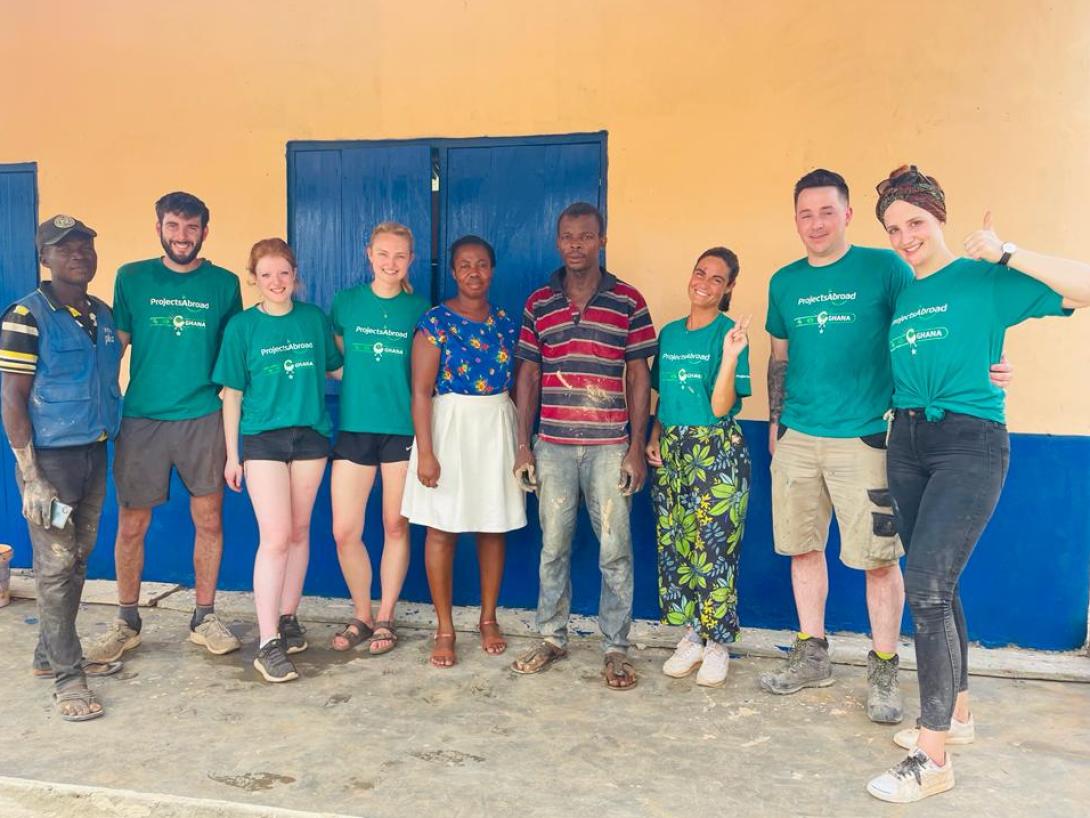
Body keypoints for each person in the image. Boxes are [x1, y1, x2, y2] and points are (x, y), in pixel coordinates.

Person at [865, 165, 1088, 803]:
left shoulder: (987, 279)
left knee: (927, 589)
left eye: (916, 223)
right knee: (939, 584)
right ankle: (957, 715)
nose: (906, 237)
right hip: (906, 441)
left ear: (940, 220)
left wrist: (1010, 252)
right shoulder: (905, 296)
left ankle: (931, 757)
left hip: (970, 443)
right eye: (895, 228)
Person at [760, 170, 1013, 723]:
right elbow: (779, 358)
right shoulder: (783, 282)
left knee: (879, 561)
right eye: (805, 213)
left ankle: (882, 668)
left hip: (868, 436)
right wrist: (776, 424)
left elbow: (934, 319)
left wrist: (984, 366)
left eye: (827, 211)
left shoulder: (887, 267)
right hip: (799, 435)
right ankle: (812, 655)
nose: (816, 223)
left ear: (847, 215)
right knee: (803, 548)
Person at [86, 192, 243, 663]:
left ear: (204, 232)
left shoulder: (225, 283)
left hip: (202, 416)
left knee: (209, 519)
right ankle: (126, 621)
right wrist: (100, 410)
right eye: (173, 226)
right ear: (158, 227)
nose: (182, 236)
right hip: (142, 419)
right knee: (132, 523)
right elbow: (115, 349)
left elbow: (233, 357)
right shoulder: (131, 278)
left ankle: (204, 616)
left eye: (191, 228)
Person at [510, 202, 656, 690]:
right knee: (554, 547)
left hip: (610, 446)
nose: (576, 244)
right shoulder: (538, 303)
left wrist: (636, 448)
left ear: (602, 240)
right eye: (568, 237)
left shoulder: (628, 301)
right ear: (558, 242)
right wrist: (523, 446)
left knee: (615, 549)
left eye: (586, 236)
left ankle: (615, 647)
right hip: (551, 444)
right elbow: (527, 374)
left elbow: (639, 374)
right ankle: (551, 637)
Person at [0, 216, 123, 720]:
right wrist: (30, 473)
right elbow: (11, 395)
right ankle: (71, 681)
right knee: (54, 566)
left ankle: (49, 654)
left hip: (93, 455)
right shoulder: (25, 315)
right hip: (50, 463)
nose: (78, 254)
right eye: (65, 248)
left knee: (76, 562)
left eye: (86, 247)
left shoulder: (102, 313)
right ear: (45, 259)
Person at [212, 238, 343, 682]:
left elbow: (338, 368)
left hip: (310, 436)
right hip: (262, 440)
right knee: (275, 537)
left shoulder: (312, 319)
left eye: (283, 273)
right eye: (266, 274)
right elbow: (232, 394)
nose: (276, 282)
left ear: (295, 274)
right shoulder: (242, 328)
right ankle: (267, 642)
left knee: (300, 531)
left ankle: (288, 617)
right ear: (254, 278)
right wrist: (233, 455)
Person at [401, 235, 525, 668]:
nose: (474, 273)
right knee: (442, 529)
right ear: (453, 273)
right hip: (449, 428)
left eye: (482, 265)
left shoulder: (509, 324)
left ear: (493, 270)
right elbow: (420, 392)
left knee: (493, 526)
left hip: (496, 427)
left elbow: (524, 383)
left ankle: (488, 618)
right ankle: (445, 627)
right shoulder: (434, 323)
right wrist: (428, 453)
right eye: (465, 265)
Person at [646, 247, 751, 689]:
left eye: (716, 278)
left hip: (716, 450)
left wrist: (729, 358)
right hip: (672, 449)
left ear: (727, 288)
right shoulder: (669, 335)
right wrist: (652, 435)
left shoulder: (730, 335)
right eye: (699, 272)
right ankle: (692, 634)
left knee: (716, 551)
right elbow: (660, 396)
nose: (703, 282)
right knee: (678, 546)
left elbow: (721, 405)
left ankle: (718, 644)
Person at [329, 223, 428, 656]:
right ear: (369, 253)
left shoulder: (420, 310)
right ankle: (361, 614)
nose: (391, 263)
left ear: (411, 259)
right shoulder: (346, 303)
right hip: (354, 427)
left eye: (400, 256)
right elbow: (335, 361)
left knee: (394, 525)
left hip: (401, 430)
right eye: (383, 254)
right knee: (344, 531)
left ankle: (385, 615)